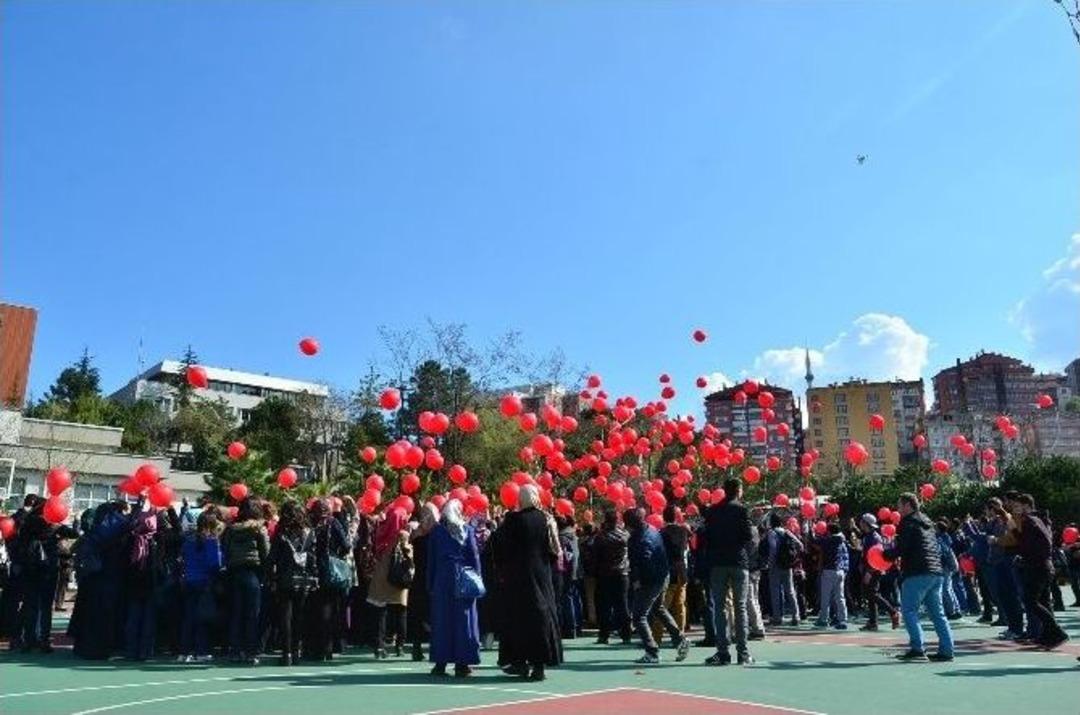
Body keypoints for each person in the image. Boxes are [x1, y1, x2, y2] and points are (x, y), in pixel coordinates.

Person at [492, 484, 562, 681]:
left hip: (519, 575)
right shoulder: (547, 518)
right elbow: (555, 549)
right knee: (542, 614)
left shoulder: (513, 520)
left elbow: (500, 546)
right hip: (542, 573)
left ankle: (519, 662)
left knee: (518, 619)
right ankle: (539, 665)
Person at [884, 492, 954, 663]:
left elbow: (902, 548)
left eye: (900, 505)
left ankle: (918, 648)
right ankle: (947, 649)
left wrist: (885, 555)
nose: (898, 509)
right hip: (936, 572)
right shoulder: (927, 522)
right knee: (938, 614)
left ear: (908, 505)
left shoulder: (907, 523)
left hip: (917, 572)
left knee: (909, 610)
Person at [624, 508, 689, 665]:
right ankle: (679, 639)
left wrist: (638, 580)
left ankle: (652, 651)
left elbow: (644, 560)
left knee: (639, 616)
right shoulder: (653, 530)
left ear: (630, 524)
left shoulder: (638, 539)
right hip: (663, 575)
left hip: (650, 580)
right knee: (658, 608)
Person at [703, 477, 756, 666]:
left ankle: (723, 651)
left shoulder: (713, 511)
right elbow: (749, 537)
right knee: (740, 607)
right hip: (738, 562)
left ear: (724, 490)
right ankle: (743, 653)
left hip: (718, 563)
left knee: (719, 608)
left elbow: (706, 538)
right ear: (738, 490)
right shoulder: (742, 510)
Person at [15, 496, 78, 653]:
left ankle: (29, 639)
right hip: (48, 567)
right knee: (45, 606)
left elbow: (20, 541)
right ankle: (44, 640)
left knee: (31, 604)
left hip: (31, 567)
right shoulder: (53, 524)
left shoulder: (28, 522)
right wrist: (72, 522)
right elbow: (74, 533)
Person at [426, 499, 482, 677]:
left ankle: (440, 663)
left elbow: (431, 560)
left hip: (442, 579)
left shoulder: (437, 532)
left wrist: (430, 583)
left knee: (442, 620)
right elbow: (474, 557)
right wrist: (478, 579)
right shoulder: (467, 530)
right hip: (463, 578)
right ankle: (462, 663)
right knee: (463, 620)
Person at [1013, 495, 1068, 649]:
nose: (1014, 509)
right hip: (1044, 565)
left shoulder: (1030, 521)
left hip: (1037, 566)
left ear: (1025, 506)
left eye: (1017, 506)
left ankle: (1056, 632)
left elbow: (1027, 545)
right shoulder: (1039, 520)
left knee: (1031, 600)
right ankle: (1048, 635)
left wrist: (1015, 533)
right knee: (1043, 601)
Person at [222, 497, 270, 664]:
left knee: (236, 612)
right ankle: (251, 651)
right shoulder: (259, 529)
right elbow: (266, 553)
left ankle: (235, 649)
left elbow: (225, 550)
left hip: (234, 572)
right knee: (252, 614)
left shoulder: (230, 530)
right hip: (253, 573)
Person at [268, 500, 316, 666]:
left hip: (284, 578)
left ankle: (286, 652)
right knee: (299, 616)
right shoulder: (309, 533)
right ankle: (296, 652)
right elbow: (313, 557)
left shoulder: (281, 532)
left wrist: (270, 577)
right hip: (303, 578)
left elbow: (272, 557)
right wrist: (314, 575)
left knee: (285, 617)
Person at [367, 506, 412, 658]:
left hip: (382, 575)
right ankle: (400, 645)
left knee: (380, 612)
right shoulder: (404, 534)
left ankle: (379, 646)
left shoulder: (381, 532)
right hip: (399, 576)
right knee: (401, 612)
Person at [308, 498, 350, 661]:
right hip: (331, 569)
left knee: (315, 609)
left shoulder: (311, 524)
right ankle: (329, 648)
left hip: (314, 569)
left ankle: (316, 647)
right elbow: (346, 545)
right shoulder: (334, 523)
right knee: (332, 610)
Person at [179, 510, 223, 663]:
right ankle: (201, 651)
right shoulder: (211, 540)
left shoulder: (188, 540)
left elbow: (183, 559)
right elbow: (214, 564)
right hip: (205, 582)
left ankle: (184, 652)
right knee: (203, 617)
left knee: (188, 617)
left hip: (189, 581)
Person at [651, 505, 690, 645]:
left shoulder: (661, 533)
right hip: (682, 572)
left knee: (661, 607)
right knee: (680, 606)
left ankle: (657, 637)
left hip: (668, 572)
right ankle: (680, 637)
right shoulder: (683, 531)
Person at [592, 509, 631, 644]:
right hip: (622, 573)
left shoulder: (600, 536)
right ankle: (626, 634)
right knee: (622, 604)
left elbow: (595, 556)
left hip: (605, 574)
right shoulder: (625, 534)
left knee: (604, 606)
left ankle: (604, 634)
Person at [857, 514, 899, 631]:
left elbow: (877, 556)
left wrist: (869, 572)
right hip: (869, 568)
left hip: (873, 569)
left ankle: (892, 611)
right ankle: (873, 622)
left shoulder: (874, 538)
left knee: (873, 593)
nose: (860, 523)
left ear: (866, 523)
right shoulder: (868, 536)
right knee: (870, 595)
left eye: (861, 521)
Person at [409, 503, 439, 661]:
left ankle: (422, 646)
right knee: (422, 614)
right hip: (424, 579)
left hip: (428, 579)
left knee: (426, 614)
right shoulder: (422, 538)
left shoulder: (423, 536)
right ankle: (418, 646)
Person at [765, 512, 802, 627]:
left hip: (775, 566)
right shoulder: (786, 531)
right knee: (790, 591)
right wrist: (794, 558)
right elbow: (800, 545)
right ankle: (796, 616)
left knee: (775, 592)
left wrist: (770, 563)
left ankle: (777, 617)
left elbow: (773, 548)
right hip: (787, 565)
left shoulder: (772, 533)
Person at [813, 522, 849, 630]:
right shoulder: (842, 541)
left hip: (829, 570)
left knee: (825, 596)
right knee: (840, 597)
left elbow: (815, 541)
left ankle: (824, 619)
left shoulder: (828, 541)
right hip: (841, 570)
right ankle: (842, 619)